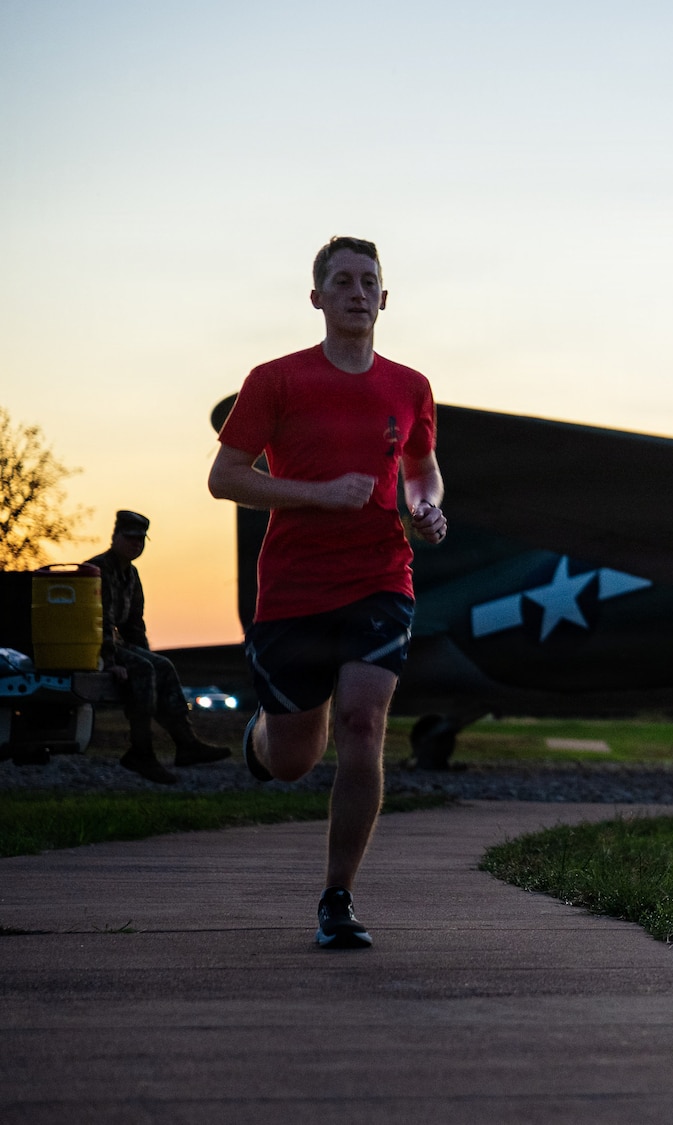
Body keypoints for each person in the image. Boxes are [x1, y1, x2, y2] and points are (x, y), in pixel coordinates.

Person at [207, 236, 447, 950]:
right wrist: (317, 493)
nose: (356, 292)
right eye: (341, 281)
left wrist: (425, 506)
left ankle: (337, 896)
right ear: (317, 298)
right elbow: (224, 477)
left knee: (364, 725)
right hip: (293, 586)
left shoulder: (410, 386)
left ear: (384, 298)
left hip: (380, 575)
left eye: (368, 281)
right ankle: (261, 735)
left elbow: (422, 468)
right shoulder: (275, 381)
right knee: (293, 760)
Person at [86, 510, 233, 784]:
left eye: (141, 539)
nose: (136, 544)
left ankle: (186, 743)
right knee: (143, 669)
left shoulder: (130, 574)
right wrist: (111, 662)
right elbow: (98, 620)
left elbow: (134, 625)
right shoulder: (98, 571)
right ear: (115, 537)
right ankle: (141, 751)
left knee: (161, 666)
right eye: (130, 538)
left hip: (114, 646)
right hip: (91, 646)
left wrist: (145, 655)